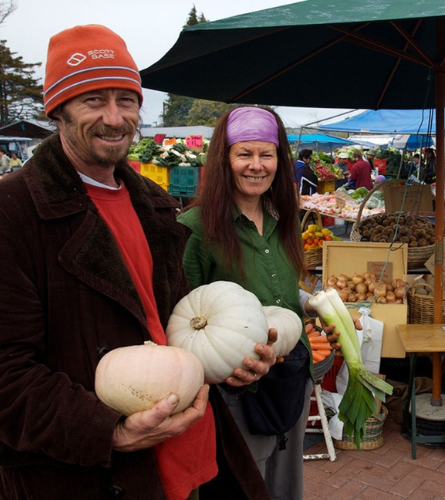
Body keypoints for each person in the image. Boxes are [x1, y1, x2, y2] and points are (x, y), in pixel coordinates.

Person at [0, 25, 273, 500]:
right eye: (93, 100)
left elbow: (170, 328)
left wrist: (227, 362)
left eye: (126, 100)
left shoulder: (155, 204)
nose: (114, 117)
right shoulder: (13, 212)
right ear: (57, 110)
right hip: (97, 474)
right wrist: (109, 431)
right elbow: (6, 375)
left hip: (194, 458)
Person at [178, 106, 343, 499]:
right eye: (244, 154)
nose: (257, 166)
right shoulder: (194, 229)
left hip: (292, 379)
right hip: (237, 391)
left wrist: (311, 307)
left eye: (266, 154)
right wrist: (218, 373)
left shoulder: (280, 218)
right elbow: (182, 319)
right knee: (243, 486)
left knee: (285, 485)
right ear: (224, 159)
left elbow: (281, 290)